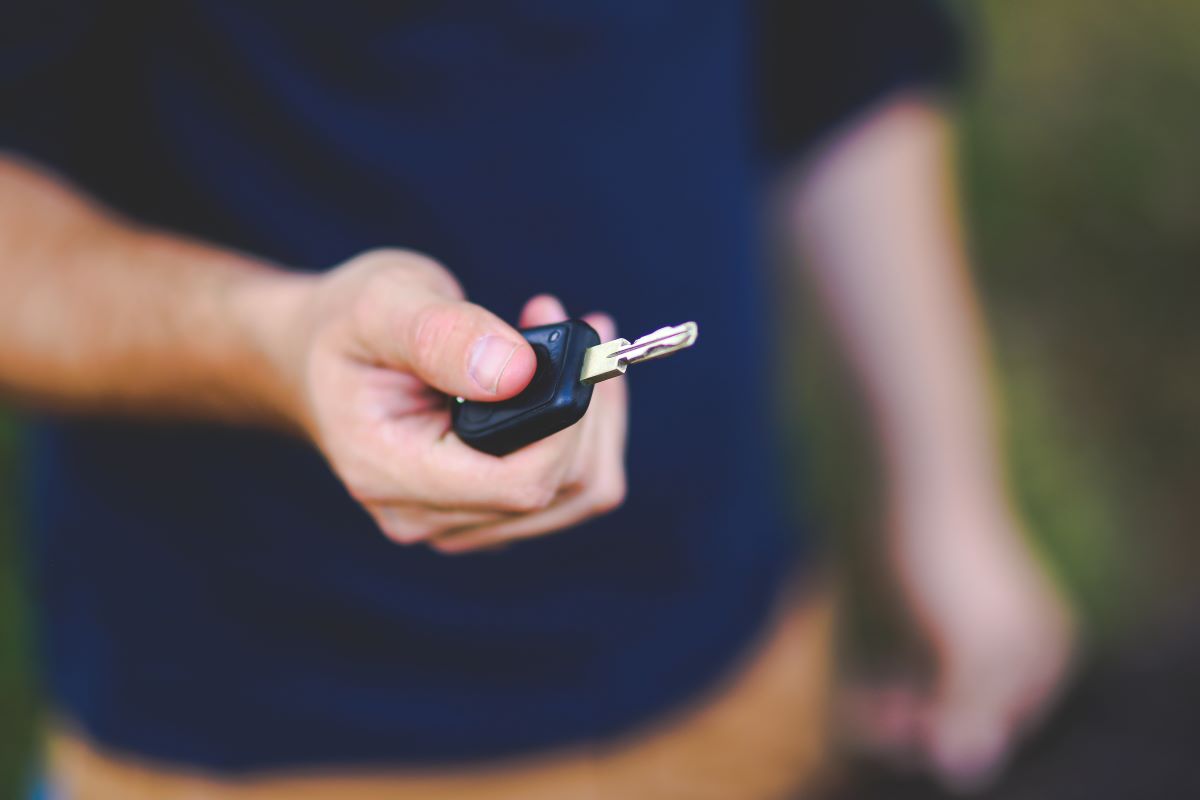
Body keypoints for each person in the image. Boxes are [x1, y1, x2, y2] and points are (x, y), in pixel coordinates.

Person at [1, 2, 1072, 797]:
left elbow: (840, 42)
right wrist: (280, 340)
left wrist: (949, 490)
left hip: (749, 671)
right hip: (284, 739)